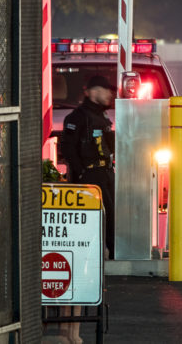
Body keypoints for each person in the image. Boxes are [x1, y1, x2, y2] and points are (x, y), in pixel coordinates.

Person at [59, 74, 116, 259]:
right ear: (94, 92)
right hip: (91, 175)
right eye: (105, 90)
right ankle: (90, 258)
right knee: (94, 219)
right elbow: (68, 148)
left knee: (111, 218)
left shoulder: (101, 115)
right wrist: (82, 172)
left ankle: (113, 254)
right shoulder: (78, 117)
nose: (109, 94)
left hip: (106, 172)